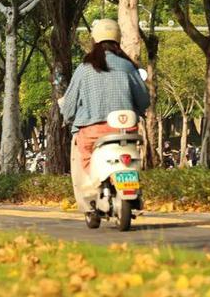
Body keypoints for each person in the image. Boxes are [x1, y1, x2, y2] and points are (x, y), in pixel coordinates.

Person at [60, 18, 150, 179]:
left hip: (93, 133)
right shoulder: (128, 67)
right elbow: (144, 101)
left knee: (84, 162)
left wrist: (67, 115)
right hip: (126, 132)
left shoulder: (84, 69)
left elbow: (68, 108)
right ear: (118, 40)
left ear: (93, 40)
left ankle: (93, 188)